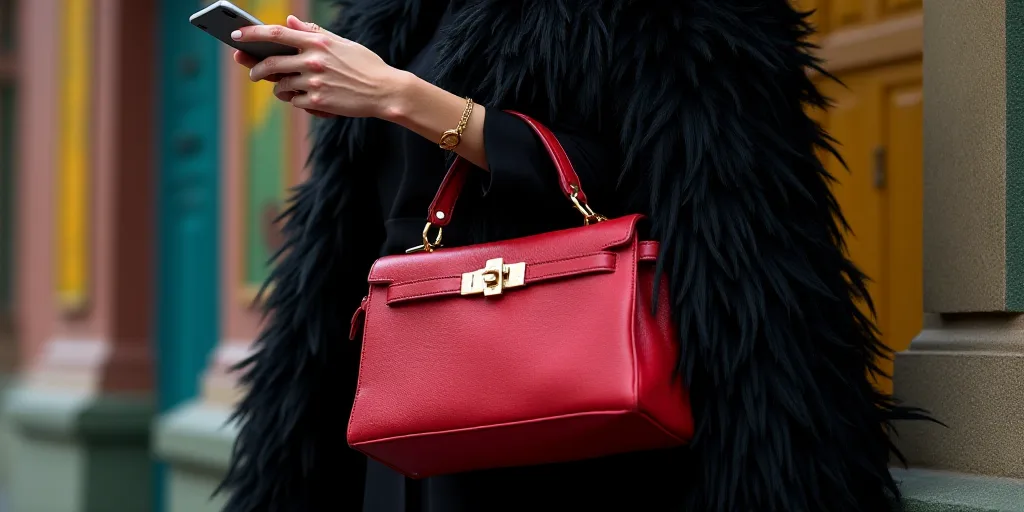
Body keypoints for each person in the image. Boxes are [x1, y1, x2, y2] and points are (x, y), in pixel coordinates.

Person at [217, 1, 930, 511]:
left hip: (552, 402)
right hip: (406, 393)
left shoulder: (668, 18)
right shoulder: (392, 15)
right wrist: (346, 83)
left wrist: (403, 97)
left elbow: (674, 188)